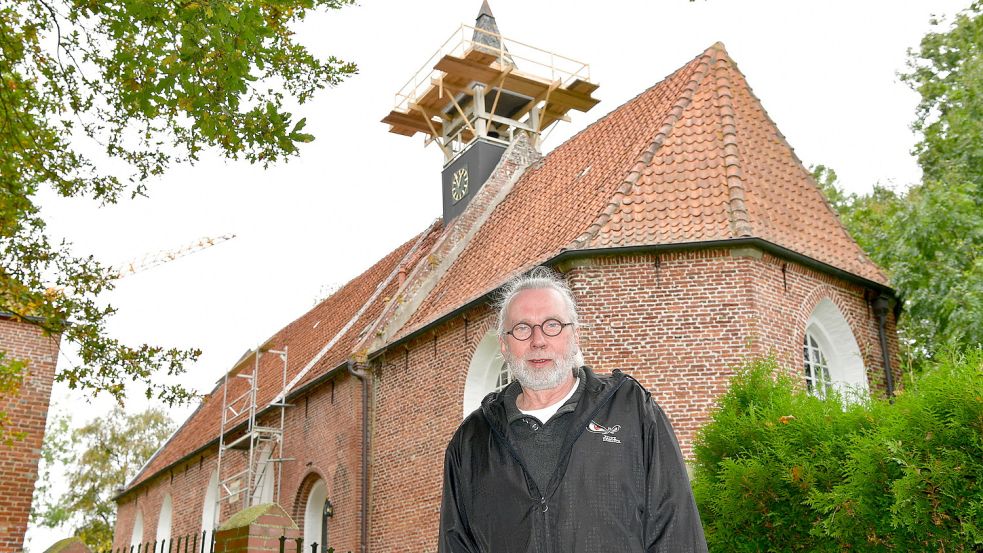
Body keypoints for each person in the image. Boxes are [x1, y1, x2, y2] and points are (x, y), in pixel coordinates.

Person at [438, 267, 708, 553]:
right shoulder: (471, 442)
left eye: (552, 324)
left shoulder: (632, 410)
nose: (538, 340)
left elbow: (676, 528)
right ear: (504, 346)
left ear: (575, 336)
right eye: (522, 328)